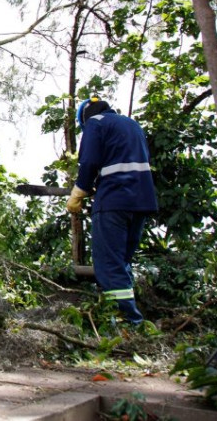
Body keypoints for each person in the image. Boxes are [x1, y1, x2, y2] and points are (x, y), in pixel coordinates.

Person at [66, 97, 157, 326]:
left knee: (109, 263)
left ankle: (127, 322)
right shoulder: (131, 125)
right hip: (141, 201)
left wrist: (79, 191)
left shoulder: (95, 123)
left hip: (114, 201)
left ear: (84, 117)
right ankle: (125, 318)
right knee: (122, 262)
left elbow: (89, 162)